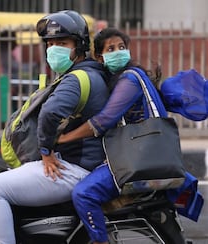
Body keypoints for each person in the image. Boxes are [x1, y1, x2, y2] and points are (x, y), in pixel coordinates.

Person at [0, 10, 110, 244]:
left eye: (62, 43)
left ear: (79, 46)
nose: (54, 48)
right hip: (79, 164)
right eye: (50, 43)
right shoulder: (84, 74)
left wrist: (46, 153)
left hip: (72, 168)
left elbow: (50, 115)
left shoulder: (76, 78)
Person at [58, 27, 163, 244]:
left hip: (140, 159)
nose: (117, 52)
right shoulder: (119, 79)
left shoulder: (130, 79)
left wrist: (63, 139)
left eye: (121, 47)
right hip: (140, 153)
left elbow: (102, 121)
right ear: (99, 56)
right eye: (111, 48)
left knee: (83, 194)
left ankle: (99, 241)